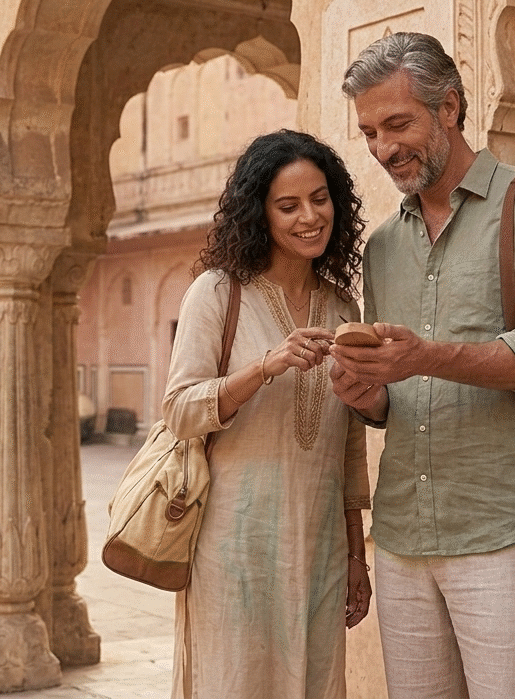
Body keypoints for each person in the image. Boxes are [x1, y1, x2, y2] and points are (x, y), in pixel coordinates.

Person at [329, 31, 515, 699]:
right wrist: (365, 393)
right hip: (404, 535)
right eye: (369, 133)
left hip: (503, 530)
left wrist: (425, 356)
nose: (384, 149)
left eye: (398, 123)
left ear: (450, 107)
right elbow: (396, 396)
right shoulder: (383, 247)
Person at [162, 129, 371, 699]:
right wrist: (264, 366)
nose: (309, 216)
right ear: (260, 214)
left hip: (320, 552)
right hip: (235, 553)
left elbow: (349, 444)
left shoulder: (341, 306)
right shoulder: (218, 292)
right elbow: (180, 411)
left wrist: (357, 555)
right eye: (288, 205)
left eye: (320, 198)